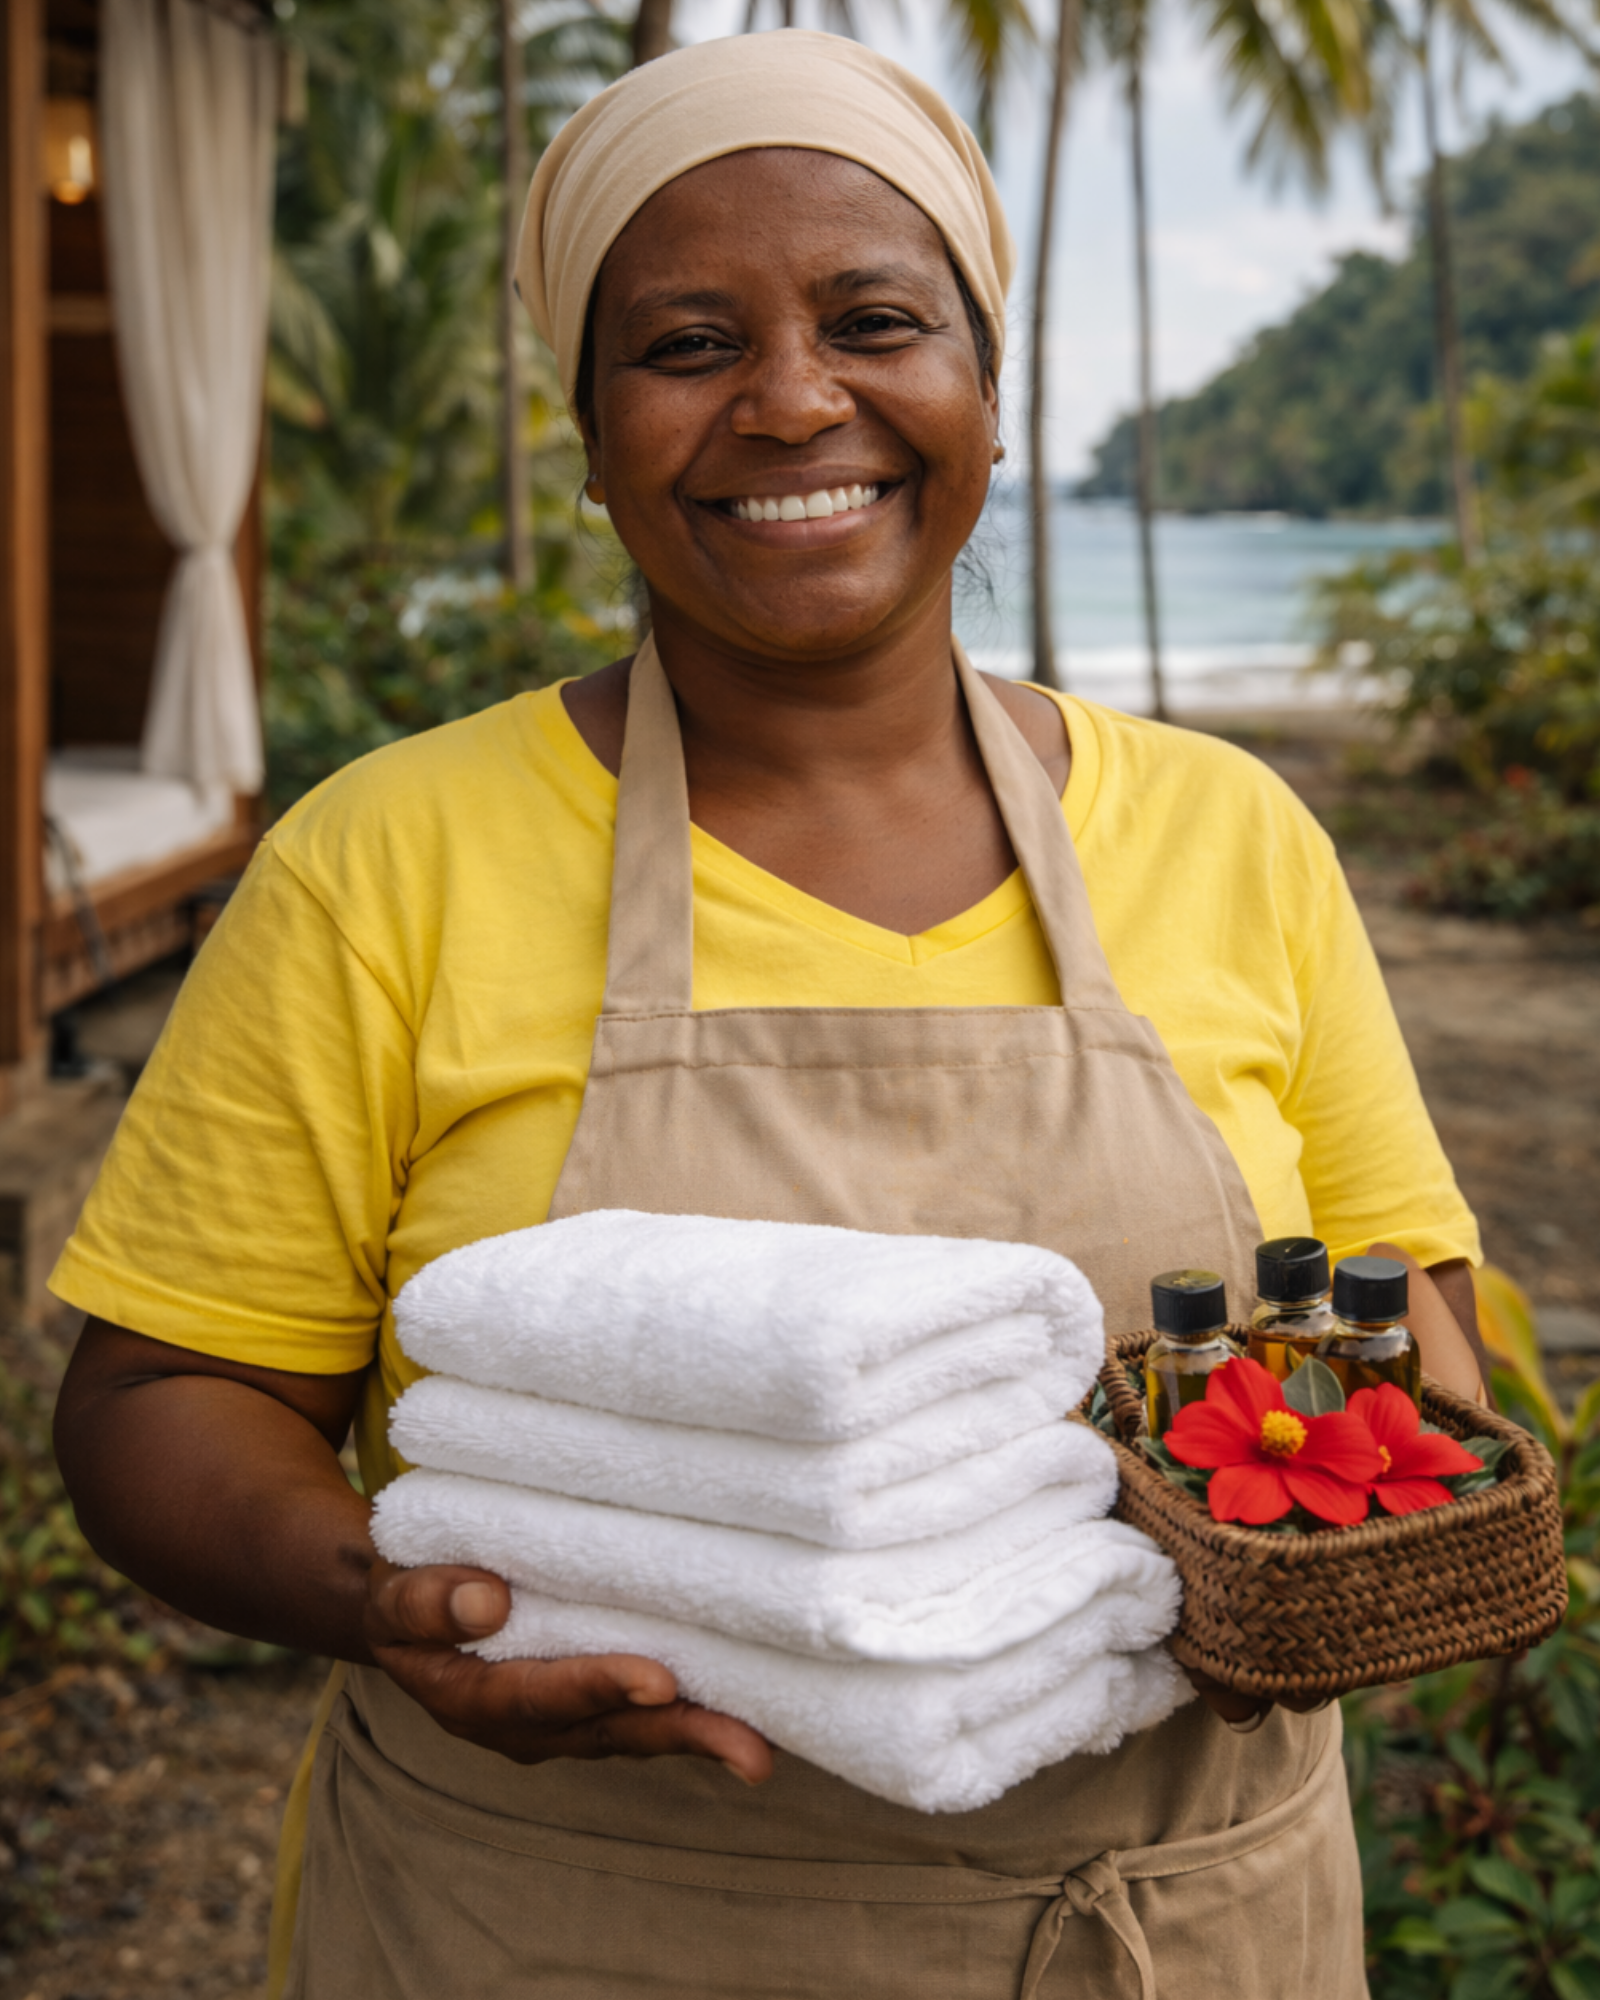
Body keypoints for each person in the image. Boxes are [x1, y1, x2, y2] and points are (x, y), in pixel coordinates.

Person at [51, 31, 1488, 1999]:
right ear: (585, 425)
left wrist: (1385, 1475)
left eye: (873, 319)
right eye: (684, 343)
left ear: (985, 383)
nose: (792, 399)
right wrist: (387, 1594)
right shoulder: (384, 863)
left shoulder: (1228, 837)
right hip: (545, 1927)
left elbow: (1409, 1300)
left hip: (1177, 1928)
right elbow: (159, 1398)